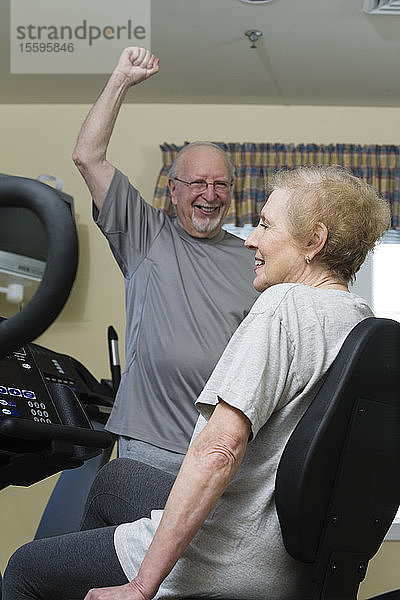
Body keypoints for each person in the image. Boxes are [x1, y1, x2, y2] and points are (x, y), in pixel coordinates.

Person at [3, 165, 391, 600]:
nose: (250, 240)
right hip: (288, 552)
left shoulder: (283, 305)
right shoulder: (359, 320)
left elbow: (220, 450)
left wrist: (140, 585)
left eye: (265, 225)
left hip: (233, 556)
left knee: (26, 568)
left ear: (314, 241)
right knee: (118, 479)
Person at [72, 46, 258, 475]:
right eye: (197, 182)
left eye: (220, 184)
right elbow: (88, 157)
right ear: (172, 190)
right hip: (149, 442)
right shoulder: (145, 234)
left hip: (222, 451)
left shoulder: (253, 258)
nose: (209, 194)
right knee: (141, 544)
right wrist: (119, 80)